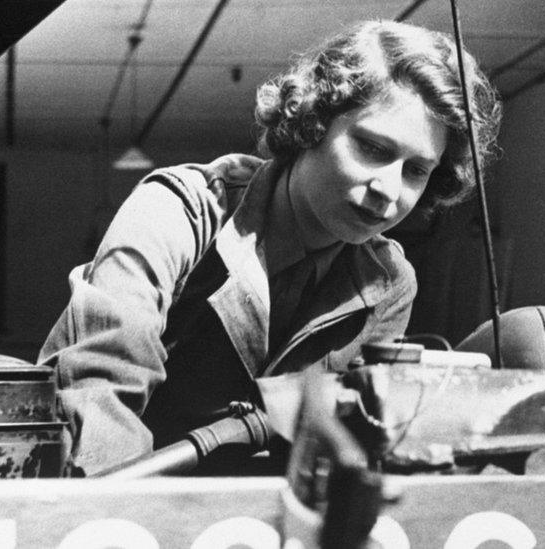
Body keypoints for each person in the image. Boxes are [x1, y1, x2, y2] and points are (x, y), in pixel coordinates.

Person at [38, 19, 501, 475]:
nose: (389, 189)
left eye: (416, 170)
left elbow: (348, 443)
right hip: (123, 499)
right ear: (311, 125)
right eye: (373, 149)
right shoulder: (180, 211)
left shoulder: (389, 283)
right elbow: (102, 387)